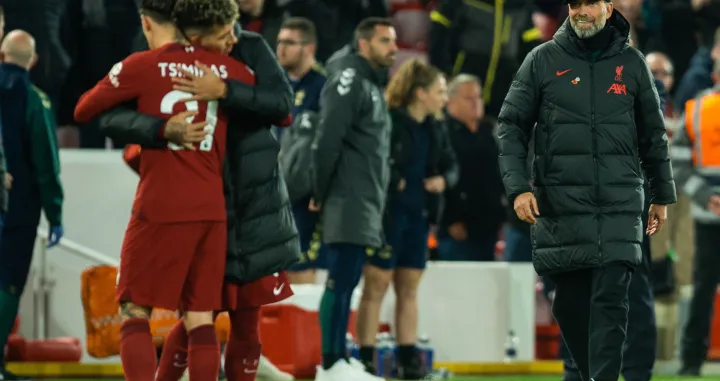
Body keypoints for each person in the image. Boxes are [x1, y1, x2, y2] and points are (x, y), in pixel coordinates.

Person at [88, 0, 301, 379]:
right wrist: (160, 130)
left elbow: (284, 106)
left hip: (253, 208)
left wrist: (224, 90)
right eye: (224, 35)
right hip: (210, 204)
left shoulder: (248, 50)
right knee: (196, 319)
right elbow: (113, 116)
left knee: (241, 321)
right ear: (195, 35)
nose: (233, 40)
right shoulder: (169, 60)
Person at [497, 1, 676, 381]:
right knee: (572, 309)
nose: (581, 11)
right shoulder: (541, 61)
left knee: (611, 304)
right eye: (574, 3)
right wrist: (517, 189)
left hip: (620, 205)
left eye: (589, 4)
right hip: (561, 209)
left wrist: (662, 194)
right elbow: (510, 126)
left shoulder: (633, 64)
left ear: (607, 8)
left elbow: (653, 135)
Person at [355, 59, 456, 380]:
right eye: (440, 91)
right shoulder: (389, 122)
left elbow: (451, 165)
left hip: (418, 215)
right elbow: (371, 160)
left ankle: (408, 360)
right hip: (387, 217)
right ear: (420, 93)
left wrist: (443, 181)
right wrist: (392, 177)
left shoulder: (436, 126)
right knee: (376, 286)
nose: (444, 98)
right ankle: (366, 359)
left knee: (409, 288)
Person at [311, 17, 396, 381]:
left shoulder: (369, 83)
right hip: (347, 196)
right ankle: (330, 362)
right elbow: (327, 138)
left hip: (362, 198)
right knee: (339, 279)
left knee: (347, 280)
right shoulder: (349, 81)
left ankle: (338, 358)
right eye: (384, 41)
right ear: (363, 44)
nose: (393, 48)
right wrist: (320, 190)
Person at [0, 30, 64, 381]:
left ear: (1, 53)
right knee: (8, 282)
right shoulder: (34, 101)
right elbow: (46, 163)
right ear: (34, 61)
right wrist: (55, 214)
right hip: (19, 208)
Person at [673, 60, 720, 377]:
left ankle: (690, 360)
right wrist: (707, 196)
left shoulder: (696, 110)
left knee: (702, 287)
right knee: (703, 288)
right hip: (709, 217)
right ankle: (690, 360)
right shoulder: (696, 110)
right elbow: (677, 165)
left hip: (708, 212)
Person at [275, 17, 329, 285]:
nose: (281, 48)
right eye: (279, 41)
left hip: (306, 195)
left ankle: (305, 327)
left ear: (309, 47)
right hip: (274, 191)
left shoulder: (325, 88)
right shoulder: (275, 85)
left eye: (289, 42)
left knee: (300, 265)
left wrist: (319, 188)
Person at [435, 74, 506, 262]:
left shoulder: (489, 131)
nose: (476, 103)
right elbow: (436, 175)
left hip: (490, 226)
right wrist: (448, 220)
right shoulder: (442, 132)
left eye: (478, 97)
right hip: (457, 229)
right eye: (469, 98)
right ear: (450, 102)